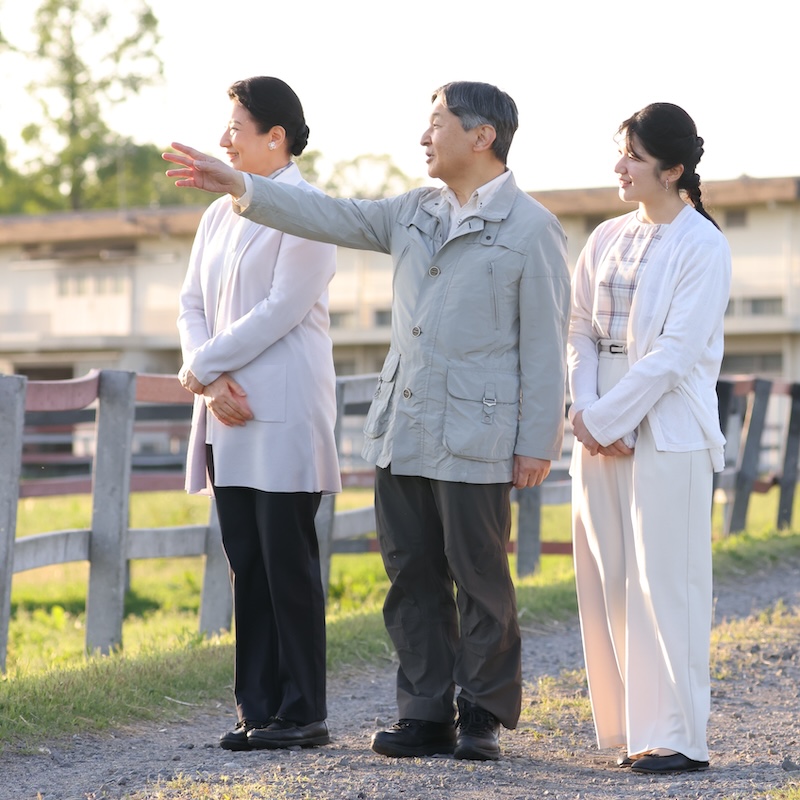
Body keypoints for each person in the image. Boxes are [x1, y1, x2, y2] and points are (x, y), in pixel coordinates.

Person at [164, 80, 570, 761]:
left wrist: (538, 442)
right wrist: (239, 182)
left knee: (478, 578)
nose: (423, 136)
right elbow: (330, 216)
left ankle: (481, 714)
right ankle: (425, 713)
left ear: (482, 136)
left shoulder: (532, 229)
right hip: (404, 429)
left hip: (479, 434)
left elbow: (544, 346)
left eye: (436, 122)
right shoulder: (410, 211)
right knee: (410, 577)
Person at [176, 76, 340, 752]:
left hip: (281, 409)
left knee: (287, 561)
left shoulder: (308, 210)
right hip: (225, 409)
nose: (222, 143)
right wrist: (207, 380)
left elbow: (282, 309)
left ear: (276, 136)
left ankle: (303, 713)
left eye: (235, 130)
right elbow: (190, 303)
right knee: (246, 560)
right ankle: (258, 709)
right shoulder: (218, 215)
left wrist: (204, 368)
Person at [567, 102, 731, 774]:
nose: (620, 167)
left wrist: (609, 420)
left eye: (633, 156)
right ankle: (633, 729)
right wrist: (585, 413)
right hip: (598, 427)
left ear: (674, 169)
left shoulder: (703, 244)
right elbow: (577, 329)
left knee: (668, 585)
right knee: (609, 582)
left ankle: (678, 737)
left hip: (665, 433)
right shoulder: (605, 237)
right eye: (621, 153)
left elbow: (673, 353)